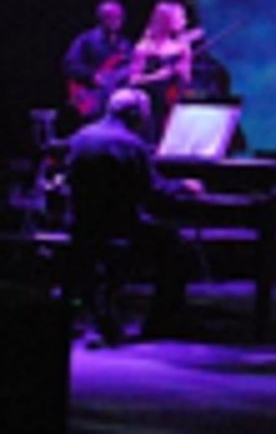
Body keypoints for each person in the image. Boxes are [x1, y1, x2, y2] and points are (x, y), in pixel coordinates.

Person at [65, 87, 202, 344]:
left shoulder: (81, 137)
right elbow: (154, 191)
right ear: (136, 115)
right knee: (178, 247)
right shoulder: (131, 144)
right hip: (119, 227)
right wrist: (184, 185)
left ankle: (95, 312)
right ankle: (161, 322)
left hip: (81, 225)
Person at [128, 0, 201, 144]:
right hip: (150, 105)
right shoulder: (143, 48)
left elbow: (186, 81)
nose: (185, 22)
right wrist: (157, 76)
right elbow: (133, 80)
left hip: (172, 102)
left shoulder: (182, 48)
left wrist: (184, 67)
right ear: (166, 20)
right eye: (180, 17)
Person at [62, 0, 133, 120]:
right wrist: (92, 76)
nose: (117, 20)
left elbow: (131, 68)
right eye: (111, 16)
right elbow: (69, 65)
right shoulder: (86, 40)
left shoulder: (124, 44)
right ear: (101, 18)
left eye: (119, 16)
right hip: (91, 95)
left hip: (114, 96)